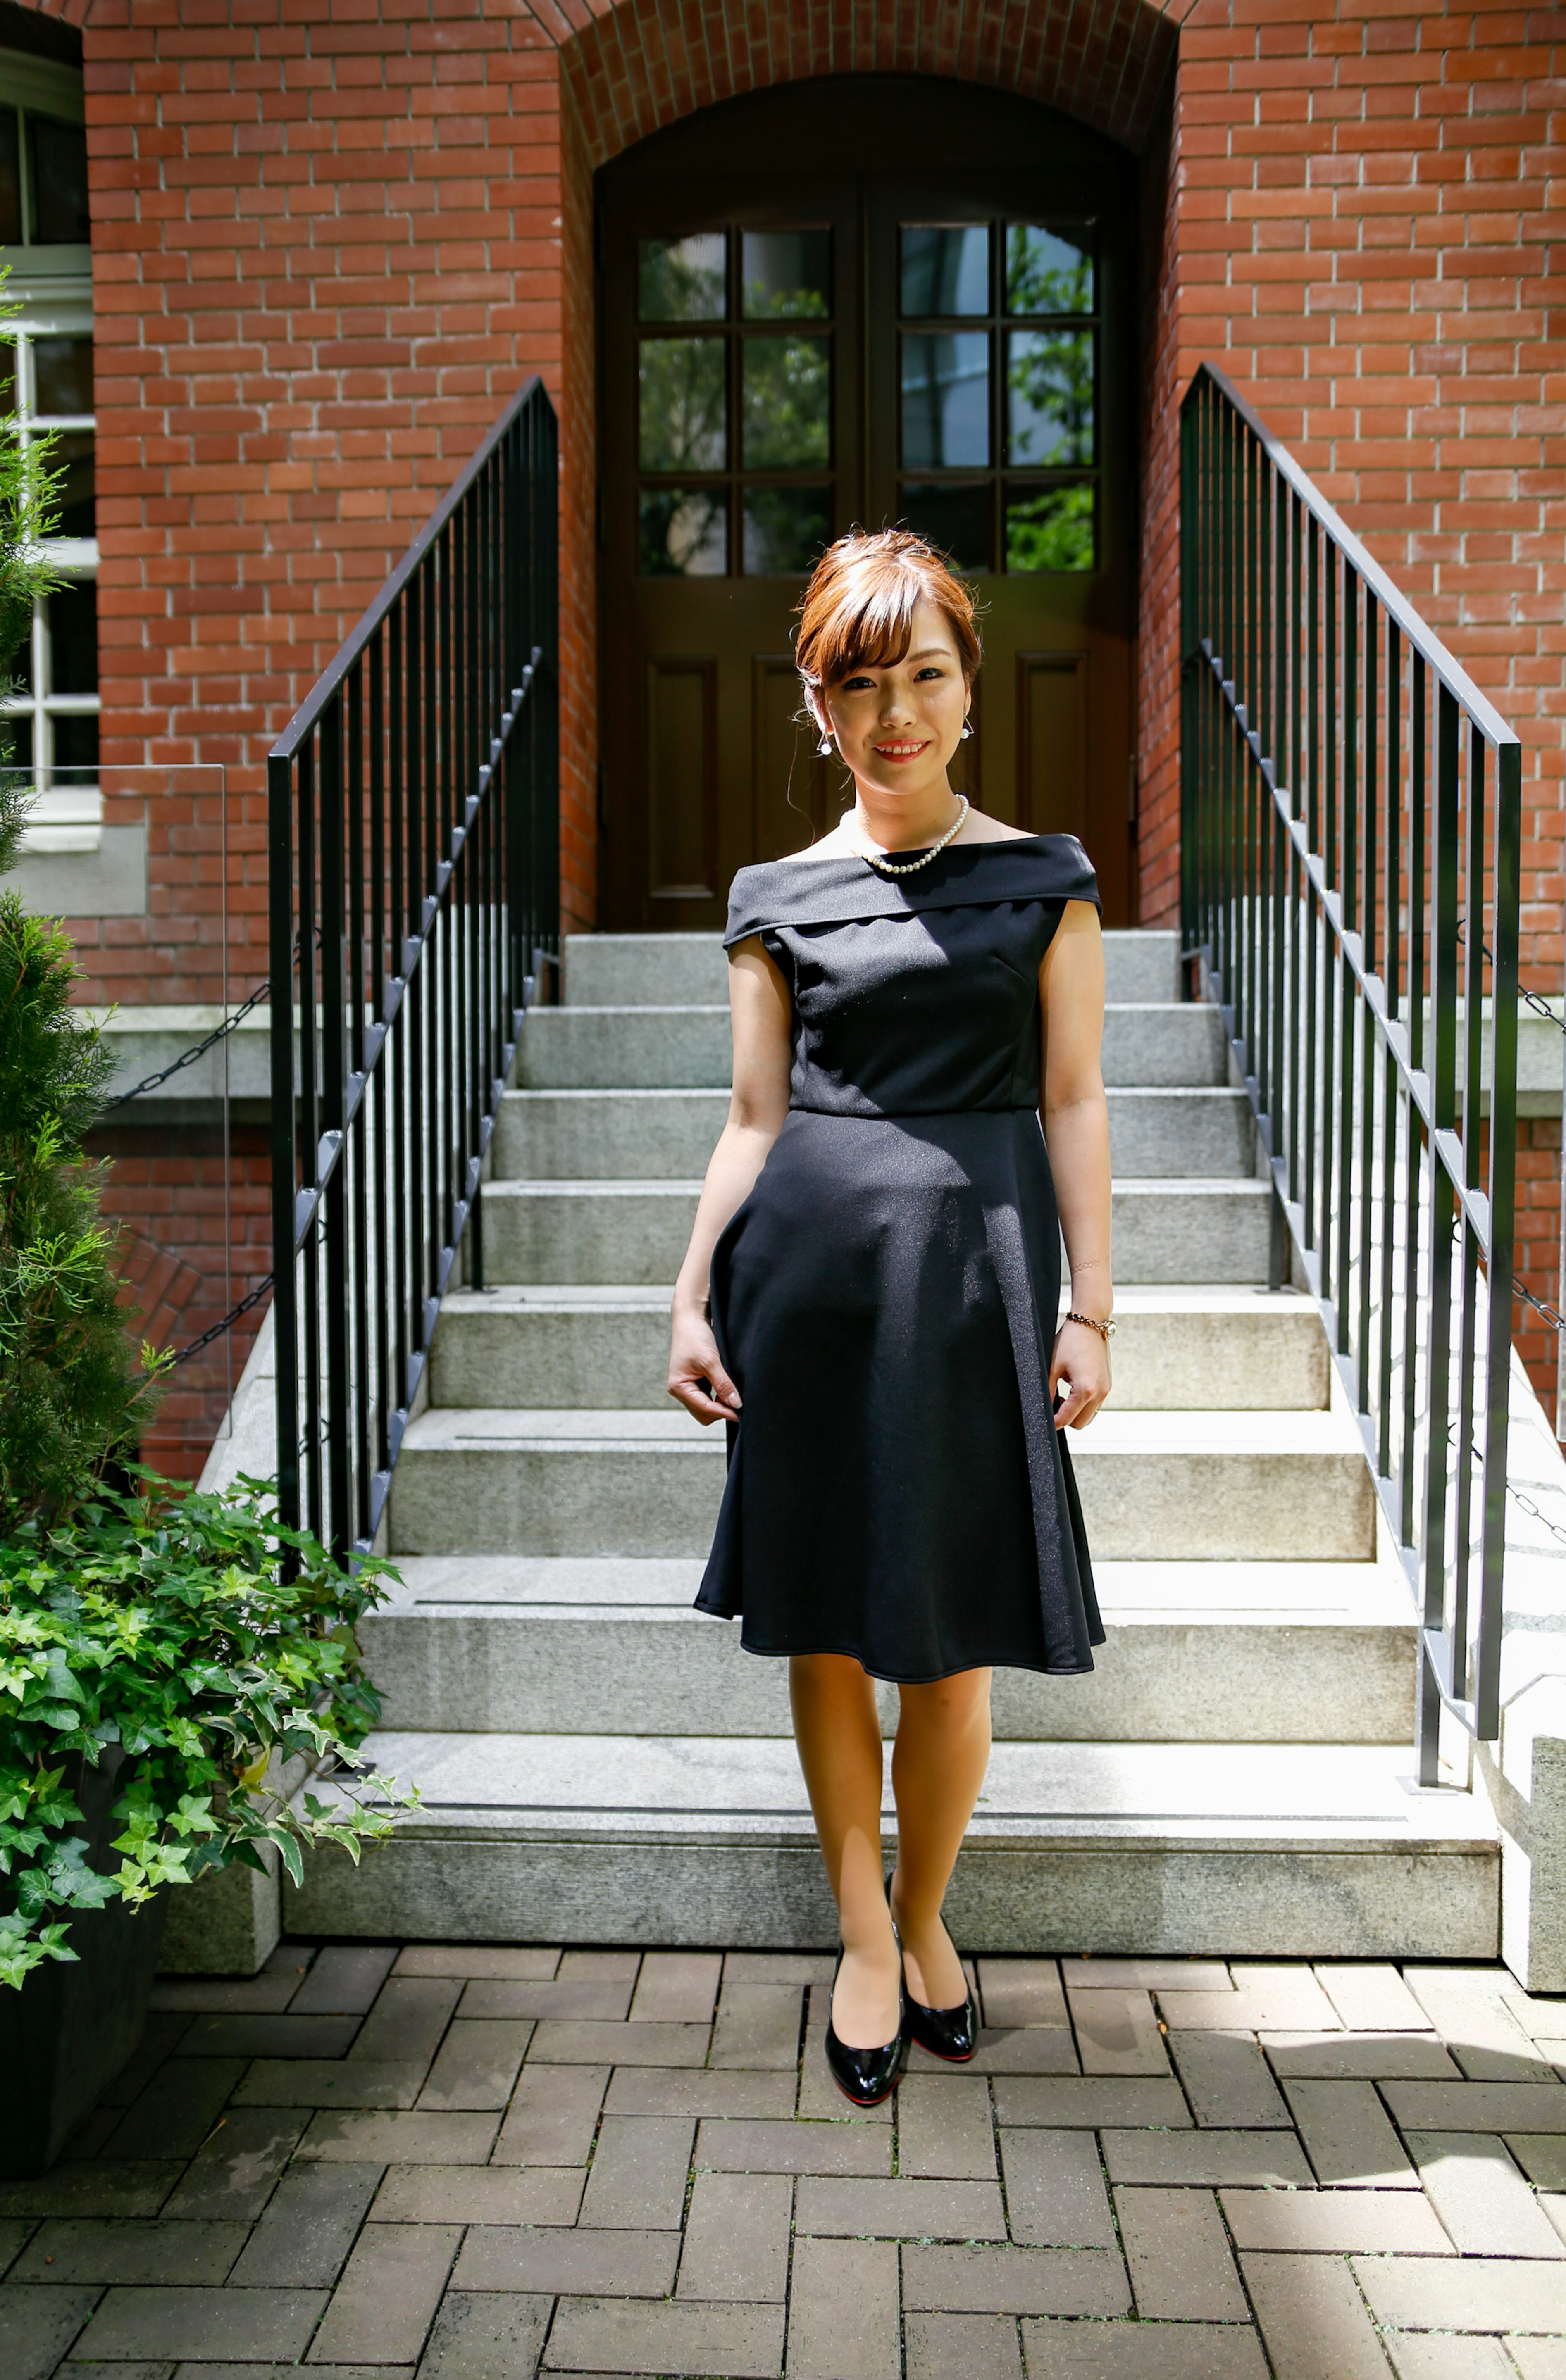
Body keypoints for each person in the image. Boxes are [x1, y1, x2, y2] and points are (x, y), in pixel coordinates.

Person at [667, 528, 1113, 2106]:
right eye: (861, 685)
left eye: (923, 676)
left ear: (969, 688)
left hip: (981, 1284)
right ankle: (867, 1938)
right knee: (833, 1625)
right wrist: (689, 1292)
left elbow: (1069, 1099)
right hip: (812, 1294)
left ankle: (929, 1920)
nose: (895, 714)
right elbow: (750, 1115)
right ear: (820, 704)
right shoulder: (774, 900)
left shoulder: (1046, 881)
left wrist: (1096, 1311)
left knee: (954, 1645)